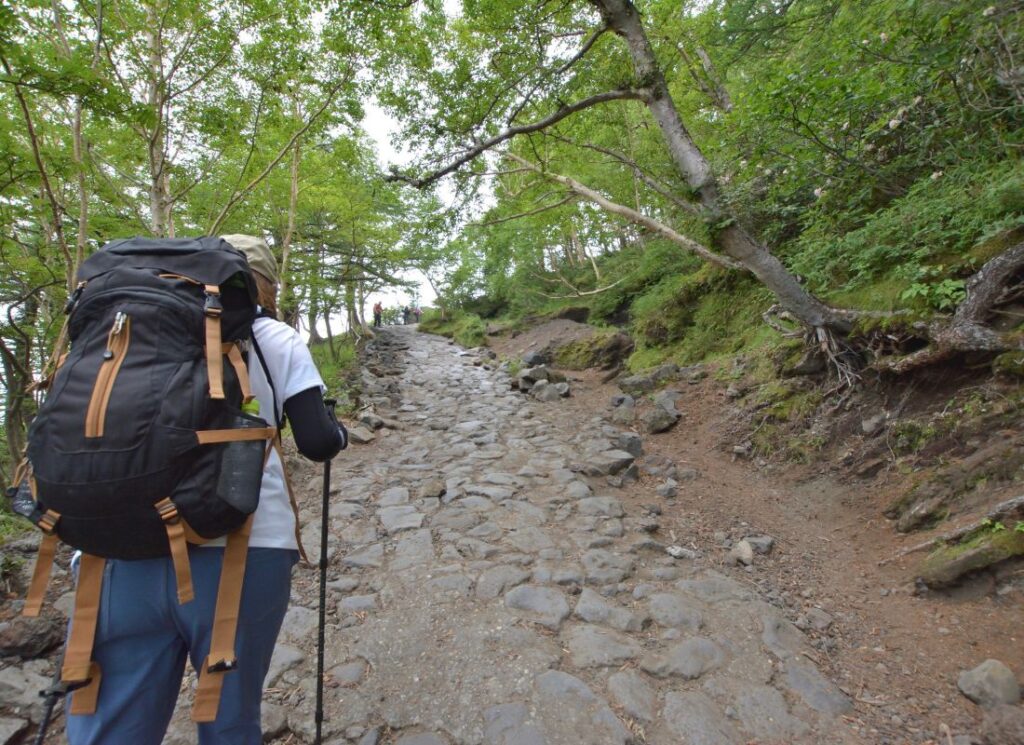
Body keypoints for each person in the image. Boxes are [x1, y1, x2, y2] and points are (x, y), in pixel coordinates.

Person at [65, 234, 346, 745]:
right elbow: (318, 442)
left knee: (109, 724)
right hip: (241, 550)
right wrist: (337, 428)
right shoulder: (273, 337)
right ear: (261, 285)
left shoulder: (114, 331)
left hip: (112, 550)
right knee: (228, 717)